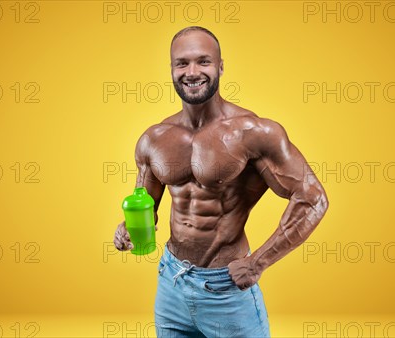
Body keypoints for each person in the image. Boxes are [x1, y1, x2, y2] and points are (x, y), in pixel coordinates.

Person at [113, 26, 329, 337]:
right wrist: (126, 231)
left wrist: (258, 263)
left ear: (220, 66)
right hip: (171, 283)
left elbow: (312, 198)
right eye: (182, 63)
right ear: (171, 69)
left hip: (226, 293)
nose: (192, 72)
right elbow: (143, 207)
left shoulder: (254, 132)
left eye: (203, 61)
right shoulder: (154, 139)